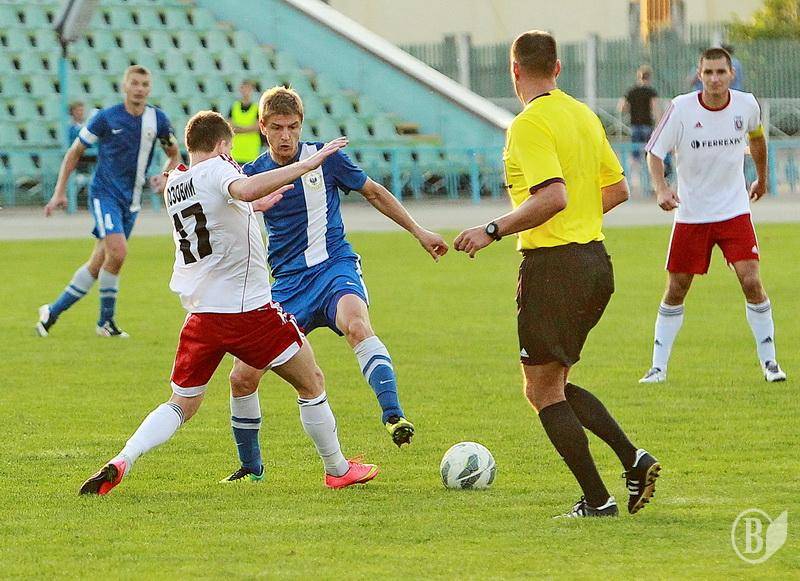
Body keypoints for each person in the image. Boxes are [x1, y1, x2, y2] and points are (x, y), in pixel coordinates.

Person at [79, 111, 379, 495]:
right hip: (248, 312)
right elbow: (243, 189)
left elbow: (219, 212)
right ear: (222, 146)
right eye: (231, 150)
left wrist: (255, 206)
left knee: (181, 403)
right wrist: (308, 163)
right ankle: (337, 469)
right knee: (311, 381)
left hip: (201, 315)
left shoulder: (178, 182)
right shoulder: (218, 168)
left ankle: (124, 458)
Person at [454, 30, 660, 518]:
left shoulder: (529, 124)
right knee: (555, 384)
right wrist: (575, 217)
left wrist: (491, 229)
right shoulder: (582, 115)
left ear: (515, 70)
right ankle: (632, 461)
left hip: (554, 267)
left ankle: (599, 500)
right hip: (595, 263)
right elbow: (617, 190)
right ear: (558, 68)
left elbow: (553, 197)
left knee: (541, 391)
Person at [220, 86, 449, 483]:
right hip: (287, 286)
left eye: (293, 127)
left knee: (356, 324)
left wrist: (419, 231)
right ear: (263, 127)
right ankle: (250, 468)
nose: (286, 136)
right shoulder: (253, 174)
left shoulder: (325, 158)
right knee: (242, 376)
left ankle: (393, 416)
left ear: (301, 125)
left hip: (333, 269)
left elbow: (373, 192)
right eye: (277, 127)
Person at [640, 47, 786, 384]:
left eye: (721, 72)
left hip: (734, 211)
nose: (715, 79)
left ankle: (770, 363)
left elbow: (757, 139)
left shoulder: (746, 105)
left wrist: (762, 179)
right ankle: (658, 368)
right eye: (708, 72)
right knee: (677, 288)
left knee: (751, 281)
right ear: (699, 75)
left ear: (731, 74)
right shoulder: (681, 108)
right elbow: (654, 152)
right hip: (692, 214)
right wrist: (661, 189)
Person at [37, 65, 181, 338]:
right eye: (134, 83)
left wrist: (165, 176)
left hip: (132, 201)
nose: (139, 89)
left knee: (98, 262)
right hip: (105, 195)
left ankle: (51, 312)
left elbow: (174, 154)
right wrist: (59, 192)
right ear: (124, 86)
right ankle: (105, 322)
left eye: (144, 84)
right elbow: (74, 152)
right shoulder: (106, 118)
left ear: (150, 89)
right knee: (118, 252)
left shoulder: (158, 120)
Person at [618, 65, 659, 161]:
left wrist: (631, 108)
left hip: (635, 124)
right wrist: (658, 123)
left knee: (635, 154)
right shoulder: (651, 92)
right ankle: (647, 169)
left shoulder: (632, 91)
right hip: (647, 124)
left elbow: (621, 107)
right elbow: (655, 108)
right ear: (649, 77)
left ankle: (636, 169)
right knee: (649, 151)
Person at [228, 80, 261, 164]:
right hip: (236, 152)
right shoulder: (234, 107)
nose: (246, 91)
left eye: (248, 88)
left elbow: (256, 128)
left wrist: (238, 128)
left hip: (251, 152)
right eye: (244, 88)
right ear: (240, 89)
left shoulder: (256, 108)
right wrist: (248, 128)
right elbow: (230, 127)